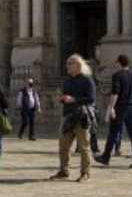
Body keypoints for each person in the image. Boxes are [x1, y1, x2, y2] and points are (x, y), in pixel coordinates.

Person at [50, 54, 96, 182]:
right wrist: (62, 98)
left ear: (78, 65)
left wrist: (74, 99)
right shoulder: (67, 81)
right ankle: (64, 171)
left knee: (84, 147)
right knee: (63, 146)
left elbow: (91, 99)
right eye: (67, 63)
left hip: (82, 117)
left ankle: (85, 173)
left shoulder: (87, 80)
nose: (67, 66)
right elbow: (66, 96)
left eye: (70, 63)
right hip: (68, 116)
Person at [95, 54, 132, 168]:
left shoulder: (118, 75)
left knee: (113, 133)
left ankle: (106, 157)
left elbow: (115, 93)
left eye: (116, 62)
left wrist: (111, 108)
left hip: (120, 108)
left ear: (119, 62)